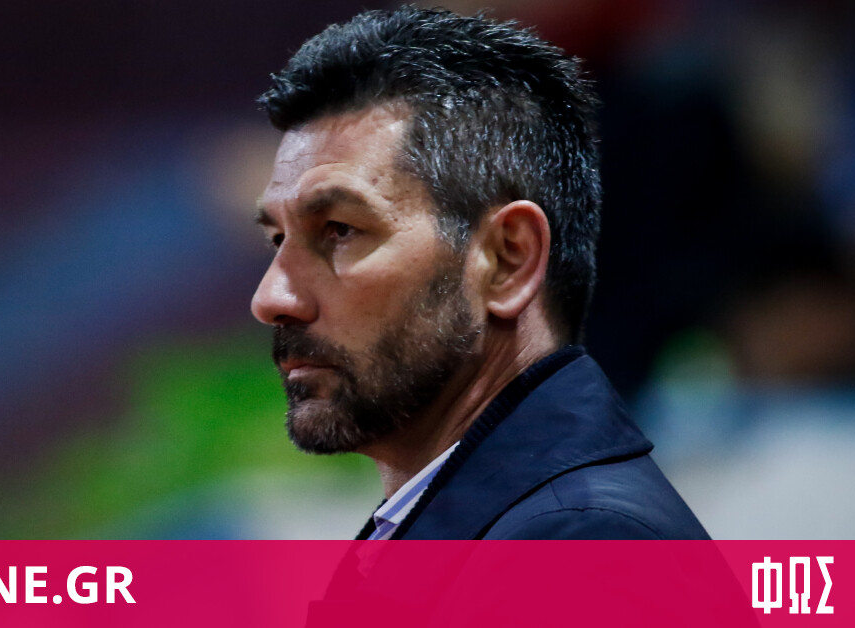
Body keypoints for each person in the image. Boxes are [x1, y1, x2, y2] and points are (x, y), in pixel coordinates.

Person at [250, 6, 709, 540]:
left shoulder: (582, 540)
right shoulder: (495, 523)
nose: (271, 298)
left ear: (508, 259)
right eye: (278, 240)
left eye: (340, 230)